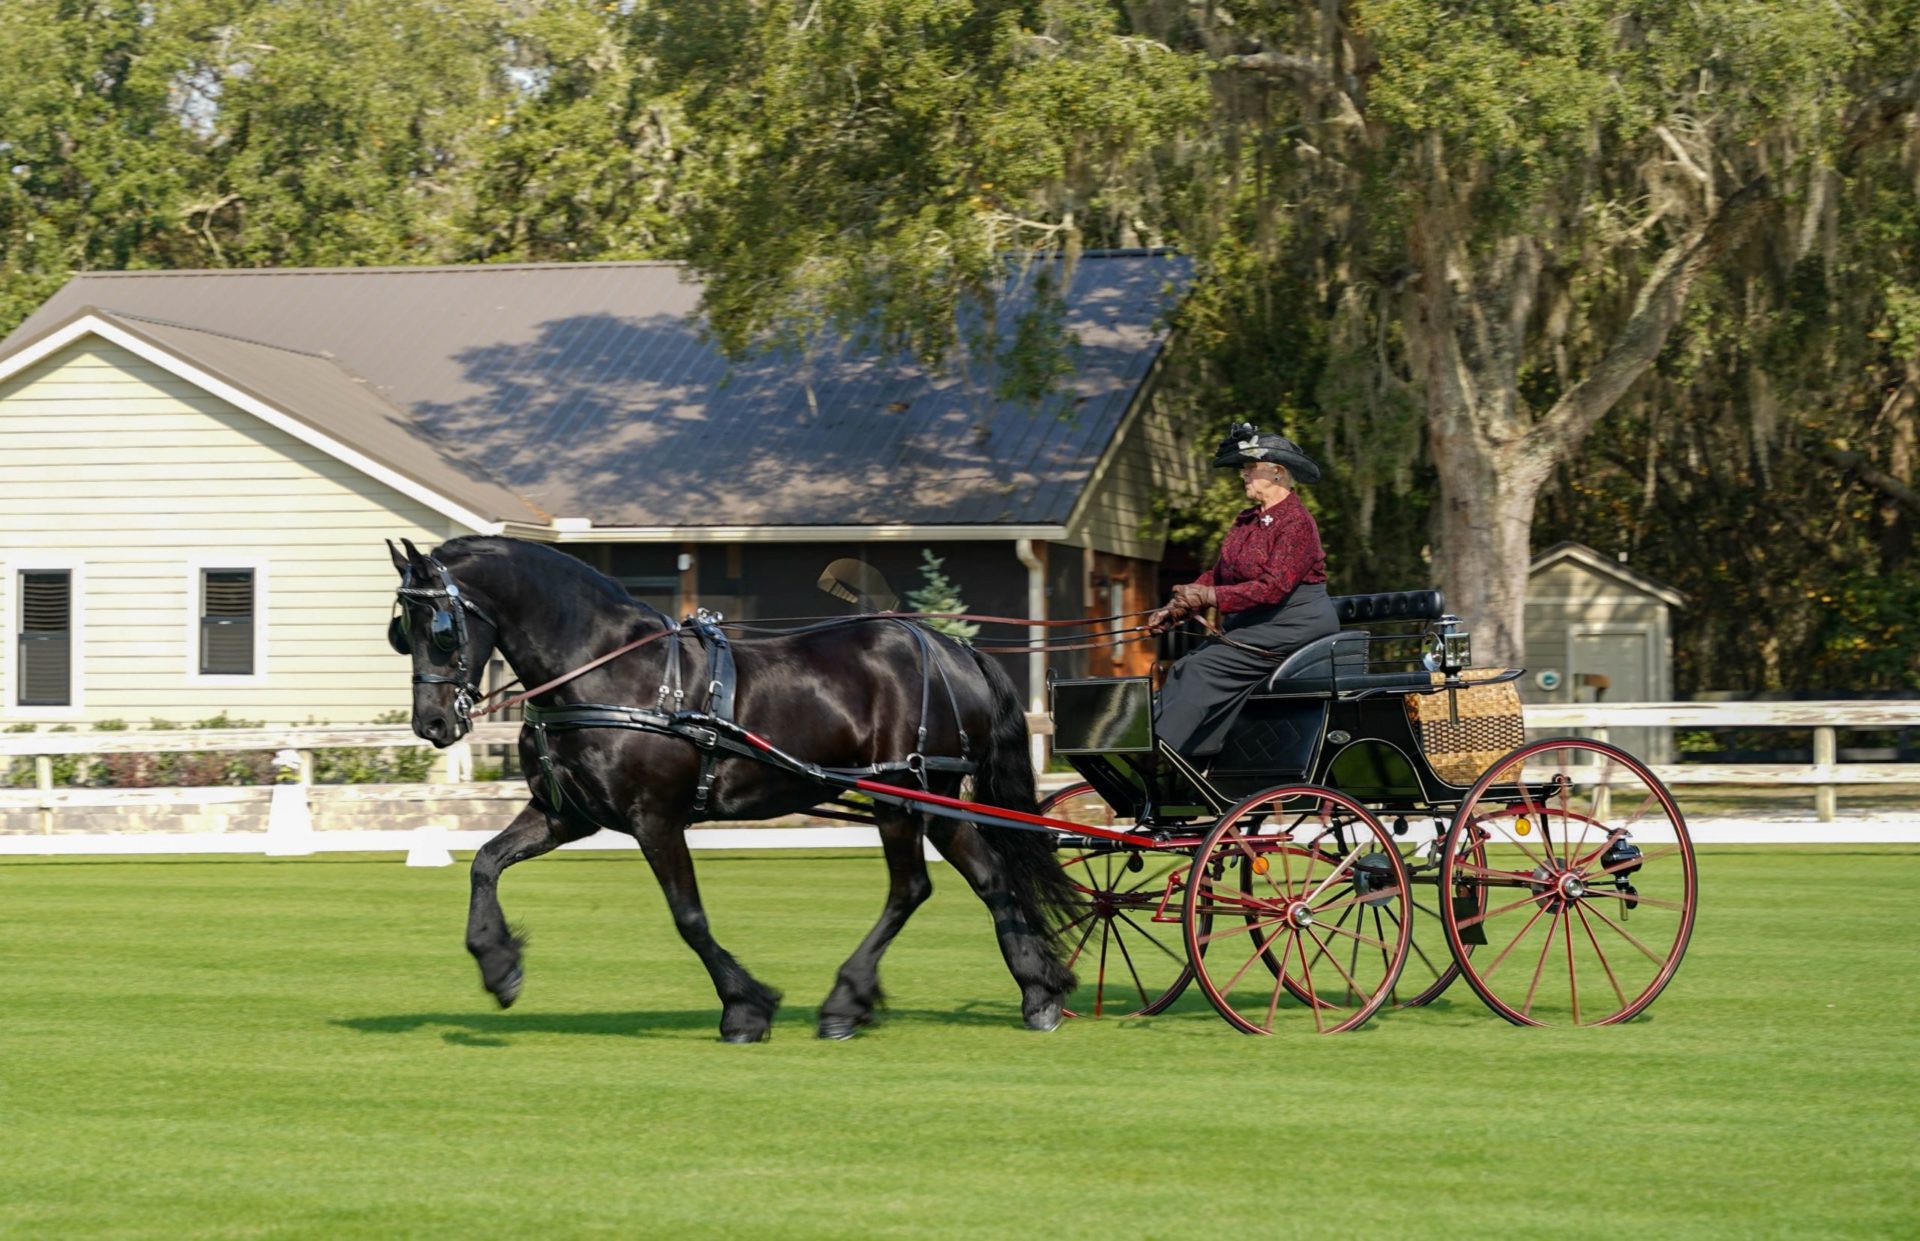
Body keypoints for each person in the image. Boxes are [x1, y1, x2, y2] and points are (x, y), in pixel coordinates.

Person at [1146, 422, 1339, 762]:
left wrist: (1208, 598)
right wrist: (1178, 606)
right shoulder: (1247, 520)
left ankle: (1162, 757)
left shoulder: (1297, 522)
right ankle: (1185, 755)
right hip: (1257, 625)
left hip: (1294, 625)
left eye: (1251, 468)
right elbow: (1219, 573)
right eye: (1244, 469)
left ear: (1277, 473)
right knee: (1182, 666)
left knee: (1201, 669)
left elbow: (1273, 587)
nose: (1244, 475)